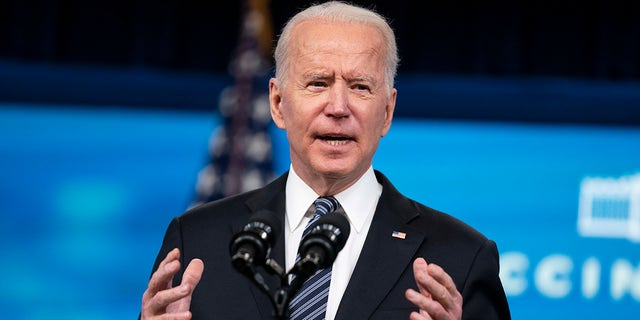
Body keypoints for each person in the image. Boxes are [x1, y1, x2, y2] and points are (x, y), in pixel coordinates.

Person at [140, 1, 510, 319]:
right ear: (278, 103)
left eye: (360, 87)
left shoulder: (460, 257)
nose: (338, 108)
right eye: (318, 83)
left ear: (387, 111)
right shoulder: (197, 241)